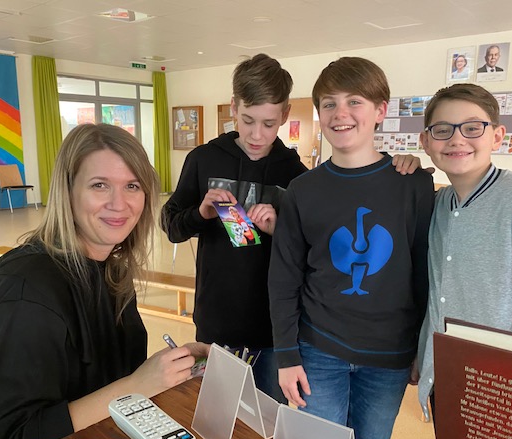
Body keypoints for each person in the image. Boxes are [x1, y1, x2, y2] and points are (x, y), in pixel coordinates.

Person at [0, 123, 210, 439]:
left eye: (132, 186)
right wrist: (136, 386)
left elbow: (102, 380)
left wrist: (168, 369)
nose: (119, 203)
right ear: (67, 192)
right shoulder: (24, 294)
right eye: (99, 185)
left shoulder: (110, 272)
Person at [161, 53, 422, 404]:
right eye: (247, 120)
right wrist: (201, 213)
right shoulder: (203, 159)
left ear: (285, 115)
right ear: (234, 107)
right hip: (217, 322)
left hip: (277, 329)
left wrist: (278, 230)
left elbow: (313, 254)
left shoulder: (296, 175)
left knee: (271, 421)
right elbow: (172, 226)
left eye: (269, 124)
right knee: (218, 416)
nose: (257, 134)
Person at [269, 57, 434, 439]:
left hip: (389, 356)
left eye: (354, 101)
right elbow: (284, 277)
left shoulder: (413, 184)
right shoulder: (303, 190)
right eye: (329, 104)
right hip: (318, 349)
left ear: (380, 111)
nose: (340, 113)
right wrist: (286, 356)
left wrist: (421, 347)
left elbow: (424, 272)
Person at [415, 83, 512, 421]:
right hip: (447, 377)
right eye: (442, 130)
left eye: (472, 128)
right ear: (426, 142)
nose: (457, 140)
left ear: (498, 137)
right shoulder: (439, 204)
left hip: (508, 390)